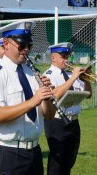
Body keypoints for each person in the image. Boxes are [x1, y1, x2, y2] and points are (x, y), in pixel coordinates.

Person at [0, 20, 56, 175]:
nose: (26, 50)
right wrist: (33, 101)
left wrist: (46, 97)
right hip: (7, 153)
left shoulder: (31, 73)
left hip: (34, 151)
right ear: (6, 44)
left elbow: (49, 115)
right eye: (22, 45)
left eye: (29, 46)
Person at [43, 42, 92, 175]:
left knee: (69, 161)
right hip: (57, 121)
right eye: (63, 56)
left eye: (68, 56)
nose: (67, 59)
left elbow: (88, 95)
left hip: (73, 122)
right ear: (53, 58)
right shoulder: (48, 75)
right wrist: (74, 77)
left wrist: (86, 78)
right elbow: (54, 95)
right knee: (57, 163)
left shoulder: (71, 74)